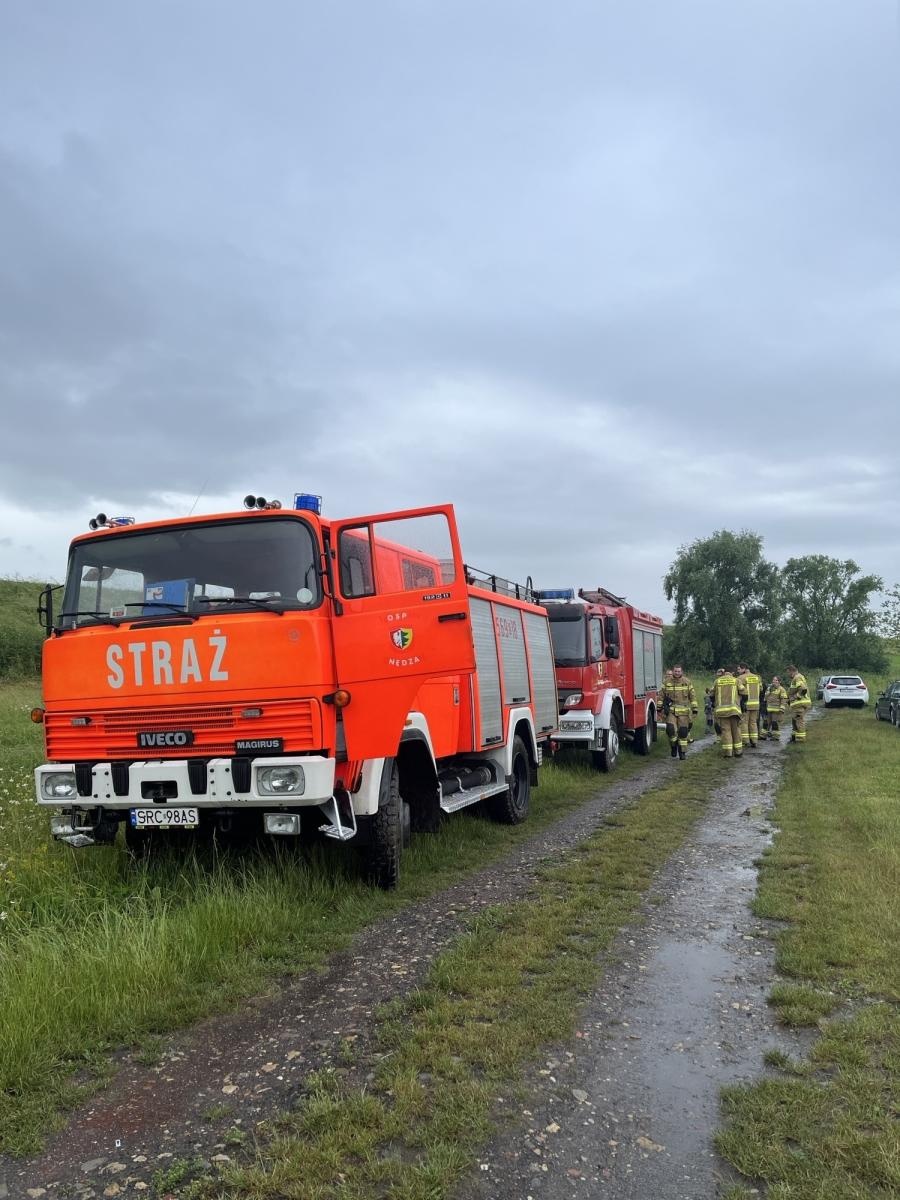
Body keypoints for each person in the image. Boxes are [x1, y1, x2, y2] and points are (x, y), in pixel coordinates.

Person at [659, 664, 698, 760]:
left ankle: (682, 752)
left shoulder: (687, 682)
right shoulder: (667, 682)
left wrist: (695, 709)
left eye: (679, 671)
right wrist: (659, 707)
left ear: (682, 672)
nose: (677, 673)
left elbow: (692, 696)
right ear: (673, 671)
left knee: (683, 732)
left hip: (684, 712)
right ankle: (673, 746)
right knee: (670, 729)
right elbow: (661, 695)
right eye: (675, 671)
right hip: (671, 711)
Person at [712, 666, 743, 758]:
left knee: (726, 731)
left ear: (724, 671)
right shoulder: (736, 680)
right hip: (734, 711)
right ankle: (738, 752)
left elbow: (711, 693)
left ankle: (728, 753)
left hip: (722, 711)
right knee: (736, 730)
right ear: (732, 672)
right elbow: (744, 692)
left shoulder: (717, 681)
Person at [737, 663, 762, 749]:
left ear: (744, 669)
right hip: (755, 703)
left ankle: (746, 741)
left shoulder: (741, 678)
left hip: (746, 704)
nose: (738, 671)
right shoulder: (757, 677)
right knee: (753, 722)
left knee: (744, 722)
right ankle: (754, 741)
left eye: (739, 669)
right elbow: (761, 689)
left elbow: (738, 690)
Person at [787, 665, 811, 743]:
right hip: (798, 704)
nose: (788, 674)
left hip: (800, 703)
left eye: (788, 672)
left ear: (791, 671)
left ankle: (800, 740)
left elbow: (803, 689)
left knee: (799, 721)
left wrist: (795, 697)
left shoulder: (797, 677)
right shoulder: (798, 677)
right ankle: (794, 737)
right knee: (795, 720)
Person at [763, 675, 788, 741]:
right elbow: (765, 698)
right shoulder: (769, 688)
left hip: (776, 710)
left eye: (776, 680)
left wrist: (782, 709)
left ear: (779, 682)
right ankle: (763, 736)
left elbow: (784, 699)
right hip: (768, 709)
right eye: (773, 680)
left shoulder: (781, 689)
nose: (774, 681)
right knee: (766, 723)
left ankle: (775, 737)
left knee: (775, 723)